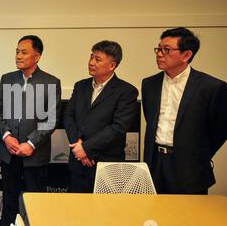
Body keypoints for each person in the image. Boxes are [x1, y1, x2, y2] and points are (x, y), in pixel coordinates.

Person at [0, 35, 61, 226]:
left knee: (35, 200)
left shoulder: (51, 82)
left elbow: (51, 119)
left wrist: (31, 143)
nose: (18, 56)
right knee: (10, 197)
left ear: (37, 56)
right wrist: (6, 136)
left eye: (23, 52)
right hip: (10, 151)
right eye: (17, 51)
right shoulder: (7, 79)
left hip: (35, 153)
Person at [142, 27, 227, 194]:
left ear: (187, 55)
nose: (159, 54)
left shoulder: (211, 87)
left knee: (188, 217)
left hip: (190, 166)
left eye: (166, 50)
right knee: (155, 214)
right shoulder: (149, 84)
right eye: (158, 48)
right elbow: (150, 120)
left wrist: (198, 153)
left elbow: (220, 130)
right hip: (155, 162)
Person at [63, 40, 138, 192]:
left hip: (106, 164)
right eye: (91, 57)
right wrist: (78, 146)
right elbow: (68, 116)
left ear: (112, 65)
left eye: (97, 59)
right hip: (78, 162)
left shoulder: (126, 91)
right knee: (76, 210)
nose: (91, 62)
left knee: (106, 212)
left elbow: (118, 128)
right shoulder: (80, 86)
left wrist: (87, 148)